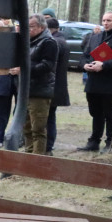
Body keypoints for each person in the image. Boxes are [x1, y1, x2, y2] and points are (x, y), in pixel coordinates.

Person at [78, 11, 112, 152]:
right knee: (95, 112)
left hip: (110, 82)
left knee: (110, 113)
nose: (106, 23)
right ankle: (94, 142)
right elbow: (85, 55)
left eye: (109, 20)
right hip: (93, 81)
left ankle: (110, 142)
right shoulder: (96, 36)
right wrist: (85, 65)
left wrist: (104, 65)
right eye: (104, 20)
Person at [15, 13, 58, 155]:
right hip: (27, 89)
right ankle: (28, 154)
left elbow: (47, 66)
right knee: (26, 126)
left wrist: (24, 70)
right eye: (26, 27)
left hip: (40, 90)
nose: (28, 30)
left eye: (31, 27)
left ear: (41, 27)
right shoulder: (29, 41)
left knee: (38, 128)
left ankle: (38, 158)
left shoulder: (48, 42)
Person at [46, 17, 70, 155]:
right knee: (50, 117)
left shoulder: (55, 42)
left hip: (52, 86)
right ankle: (49, 144)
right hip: (57, 86)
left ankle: (48, 146)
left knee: (48, 118)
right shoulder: (62, 41)